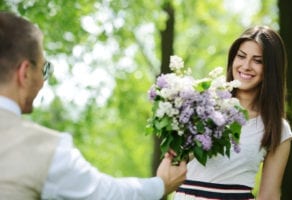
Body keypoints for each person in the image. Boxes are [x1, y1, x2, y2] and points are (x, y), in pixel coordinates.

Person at [0, 11, 187, 199]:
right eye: (44, 69)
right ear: (24, 73)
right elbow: (106, 194)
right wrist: (162, 183)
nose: (43, 81)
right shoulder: (45, 150)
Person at [173, 26, 292, 200]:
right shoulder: (202, 104)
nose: (246, 66)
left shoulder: (277, 128)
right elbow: (172, 162)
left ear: (271, 69)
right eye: (241, 56)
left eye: (257, 60)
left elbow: (270, 194)